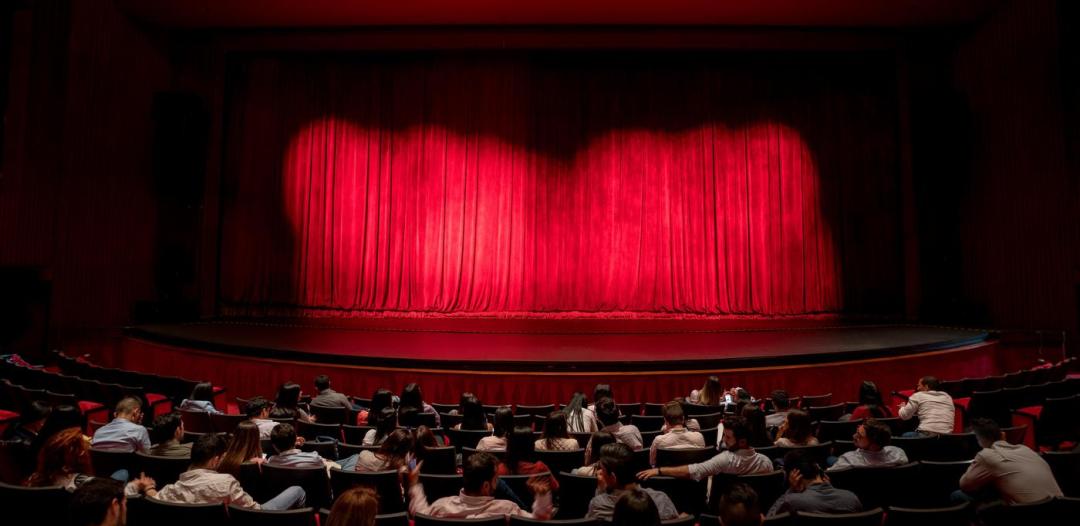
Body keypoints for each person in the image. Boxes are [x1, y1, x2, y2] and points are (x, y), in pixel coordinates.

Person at [140, 433, 306, 510]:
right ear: (215, 460)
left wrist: (148, 487)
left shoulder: (172, 490)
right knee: (297, 490)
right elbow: (254, 512)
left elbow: (156, 498)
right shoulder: (226, 483)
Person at [406, 450, 553, 519]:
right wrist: (542, 496)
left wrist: (414, 483)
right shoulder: (507, 509)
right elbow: (537, 520)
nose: (498, 482)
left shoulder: (440, 507)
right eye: (496, 479)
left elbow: (419, 513)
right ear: (486, 486)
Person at [956, 418, 1063, 504]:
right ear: (1003, 435)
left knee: (957, 495)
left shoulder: (987, 455)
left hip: (1031, 514)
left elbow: (965, 485)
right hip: (1060, 507)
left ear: (979, 442)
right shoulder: (1026, 449)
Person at [637, 417, 773, 482]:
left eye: (728, 437)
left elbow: (693, 471)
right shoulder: (766, 462)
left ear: (742, 441)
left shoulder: (725, 459)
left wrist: (659, 470)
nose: (724, 440)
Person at [25, 428, 144, 491]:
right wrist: (136, 485)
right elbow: (114, 496)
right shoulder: (87, 484)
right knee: (123, 473)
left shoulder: (34, 479)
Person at [587, 443, 679, 521]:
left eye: (602, 470)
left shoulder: (598, 505)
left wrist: (600, 491)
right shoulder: (661, 499)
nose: (599, 473)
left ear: (613, 477)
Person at [766, 450, 861, 516]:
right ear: (818, 469)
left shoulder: (792, 501)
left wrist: (791, 490)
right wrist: (830, 487)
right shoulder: (851, 498)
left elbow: (769, 518)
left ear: (794, 477)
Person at [827, 419, 908, 471]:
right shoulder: (899, 454)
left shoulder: (848, 460)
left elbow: (829, 474)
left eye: (859, 435)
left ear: (874, 444)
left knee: (830, 459)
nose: (854, 436)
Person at [267, 422, 354, 471]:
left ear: (274, 446)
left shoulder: (271, 462)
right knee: (355, 457)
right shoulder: (314, 457)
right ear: (294, 441)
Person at [499, 427, 559, 491]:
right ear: (531, 446)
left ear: (510, 446)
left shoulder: (500, 469)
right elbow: (556, 487)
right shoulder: (540, 468)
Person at [649, 401, 705, 466]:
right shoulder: (699, 437)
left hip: (667, 475)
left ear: (665, 421)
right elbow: (701, 463)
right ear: (683, 419)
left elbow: (652, 462)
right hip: (692, 475)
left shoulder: (659, 440)